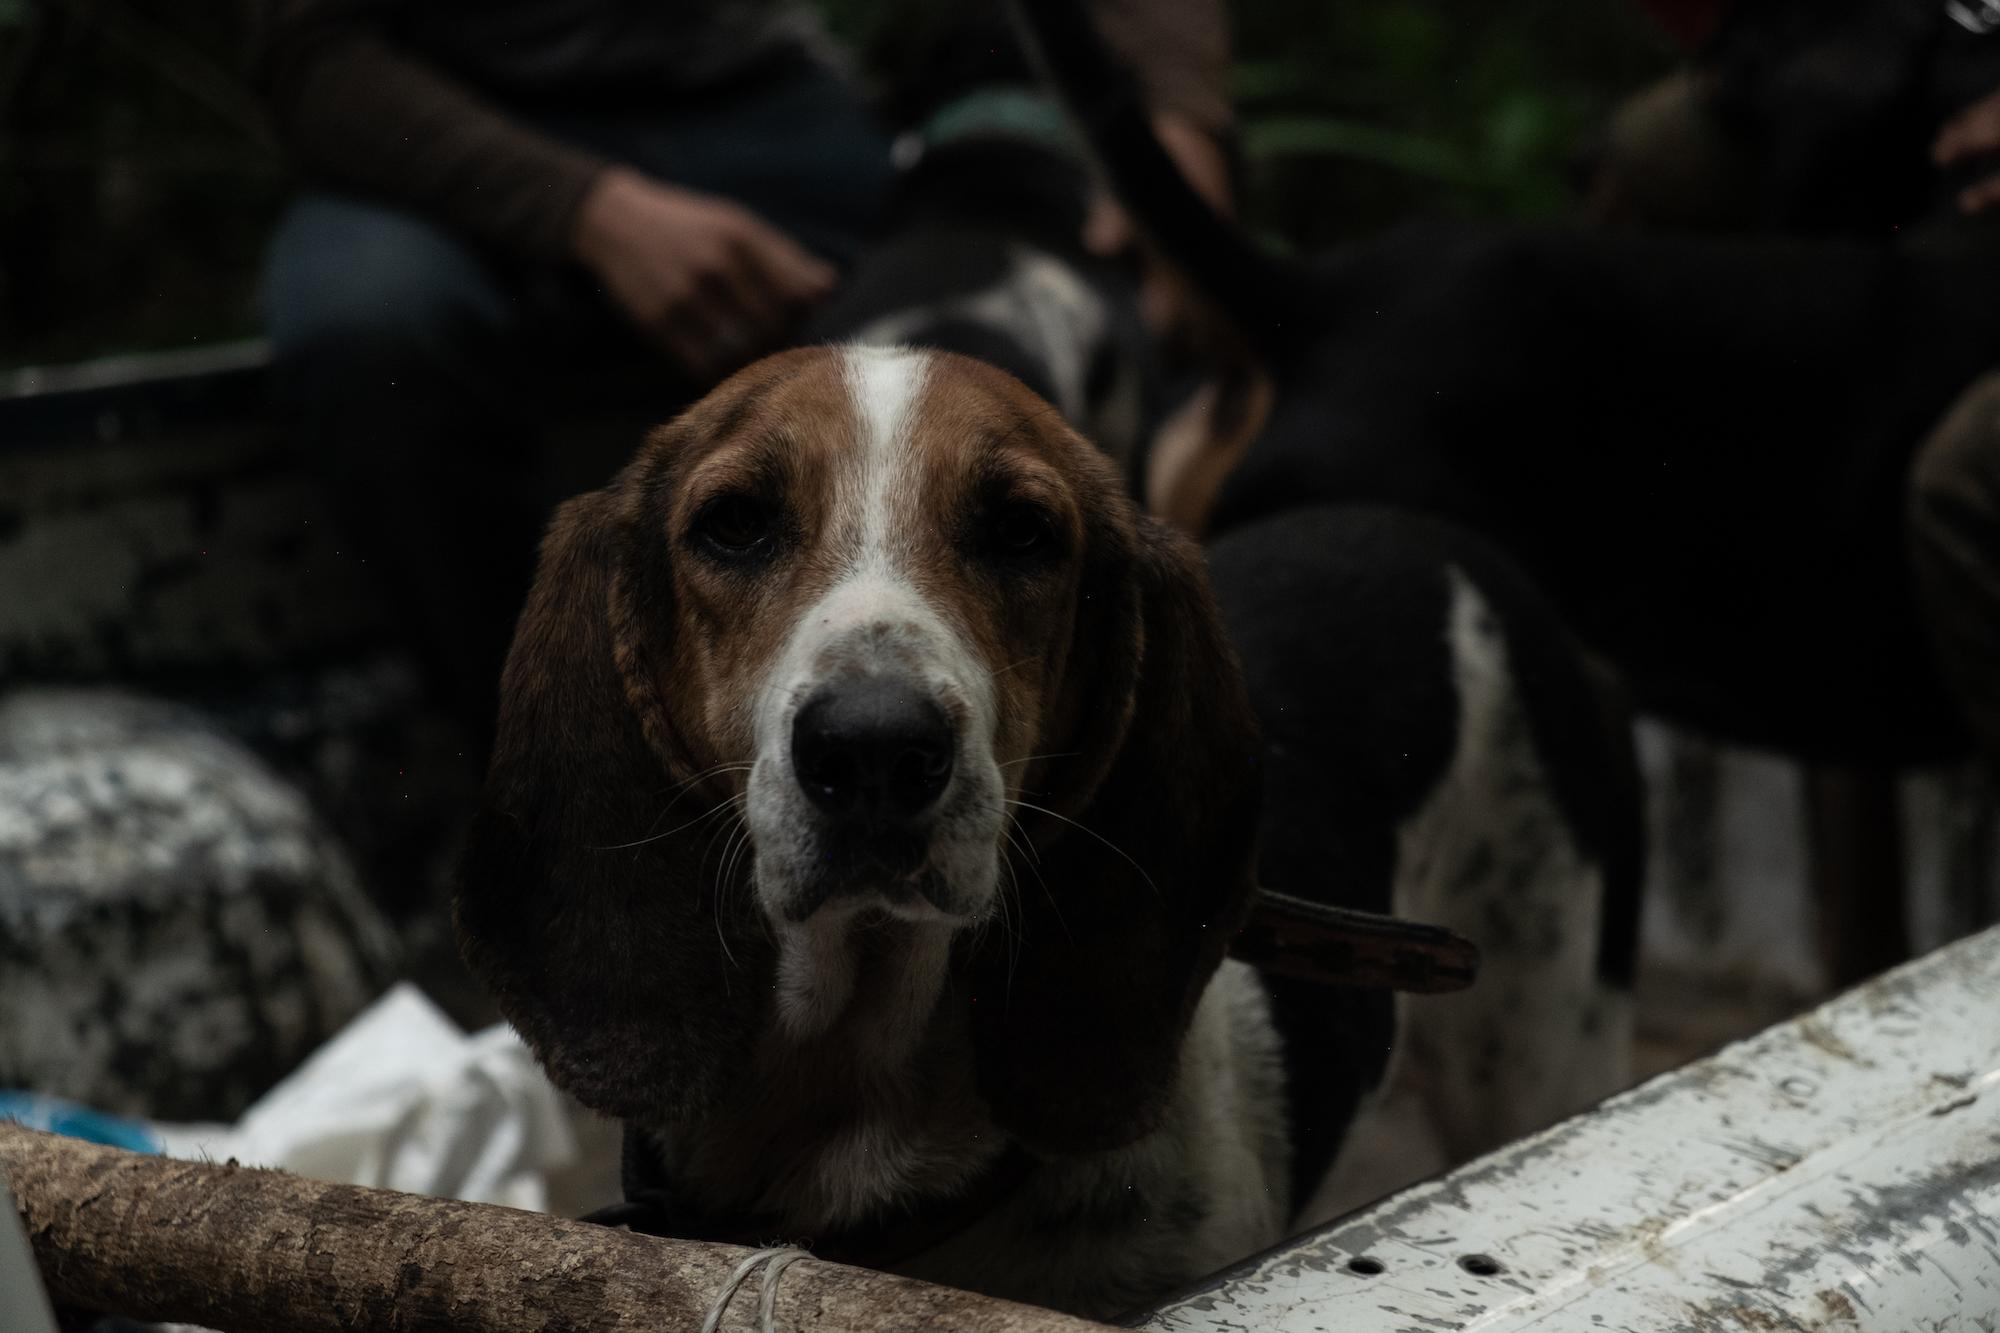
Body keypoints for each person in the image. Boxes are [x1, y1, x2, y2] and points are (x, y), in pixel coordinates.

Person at [252, 0, 1235, 742]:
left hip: (751, 106)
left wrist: (1177, 127)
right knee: (368, 335)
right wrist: (589, 213)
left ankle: (1009, 771)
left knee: (1015, 278)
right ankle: (527, 793)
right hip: (421, 131)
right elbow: (309, 60)